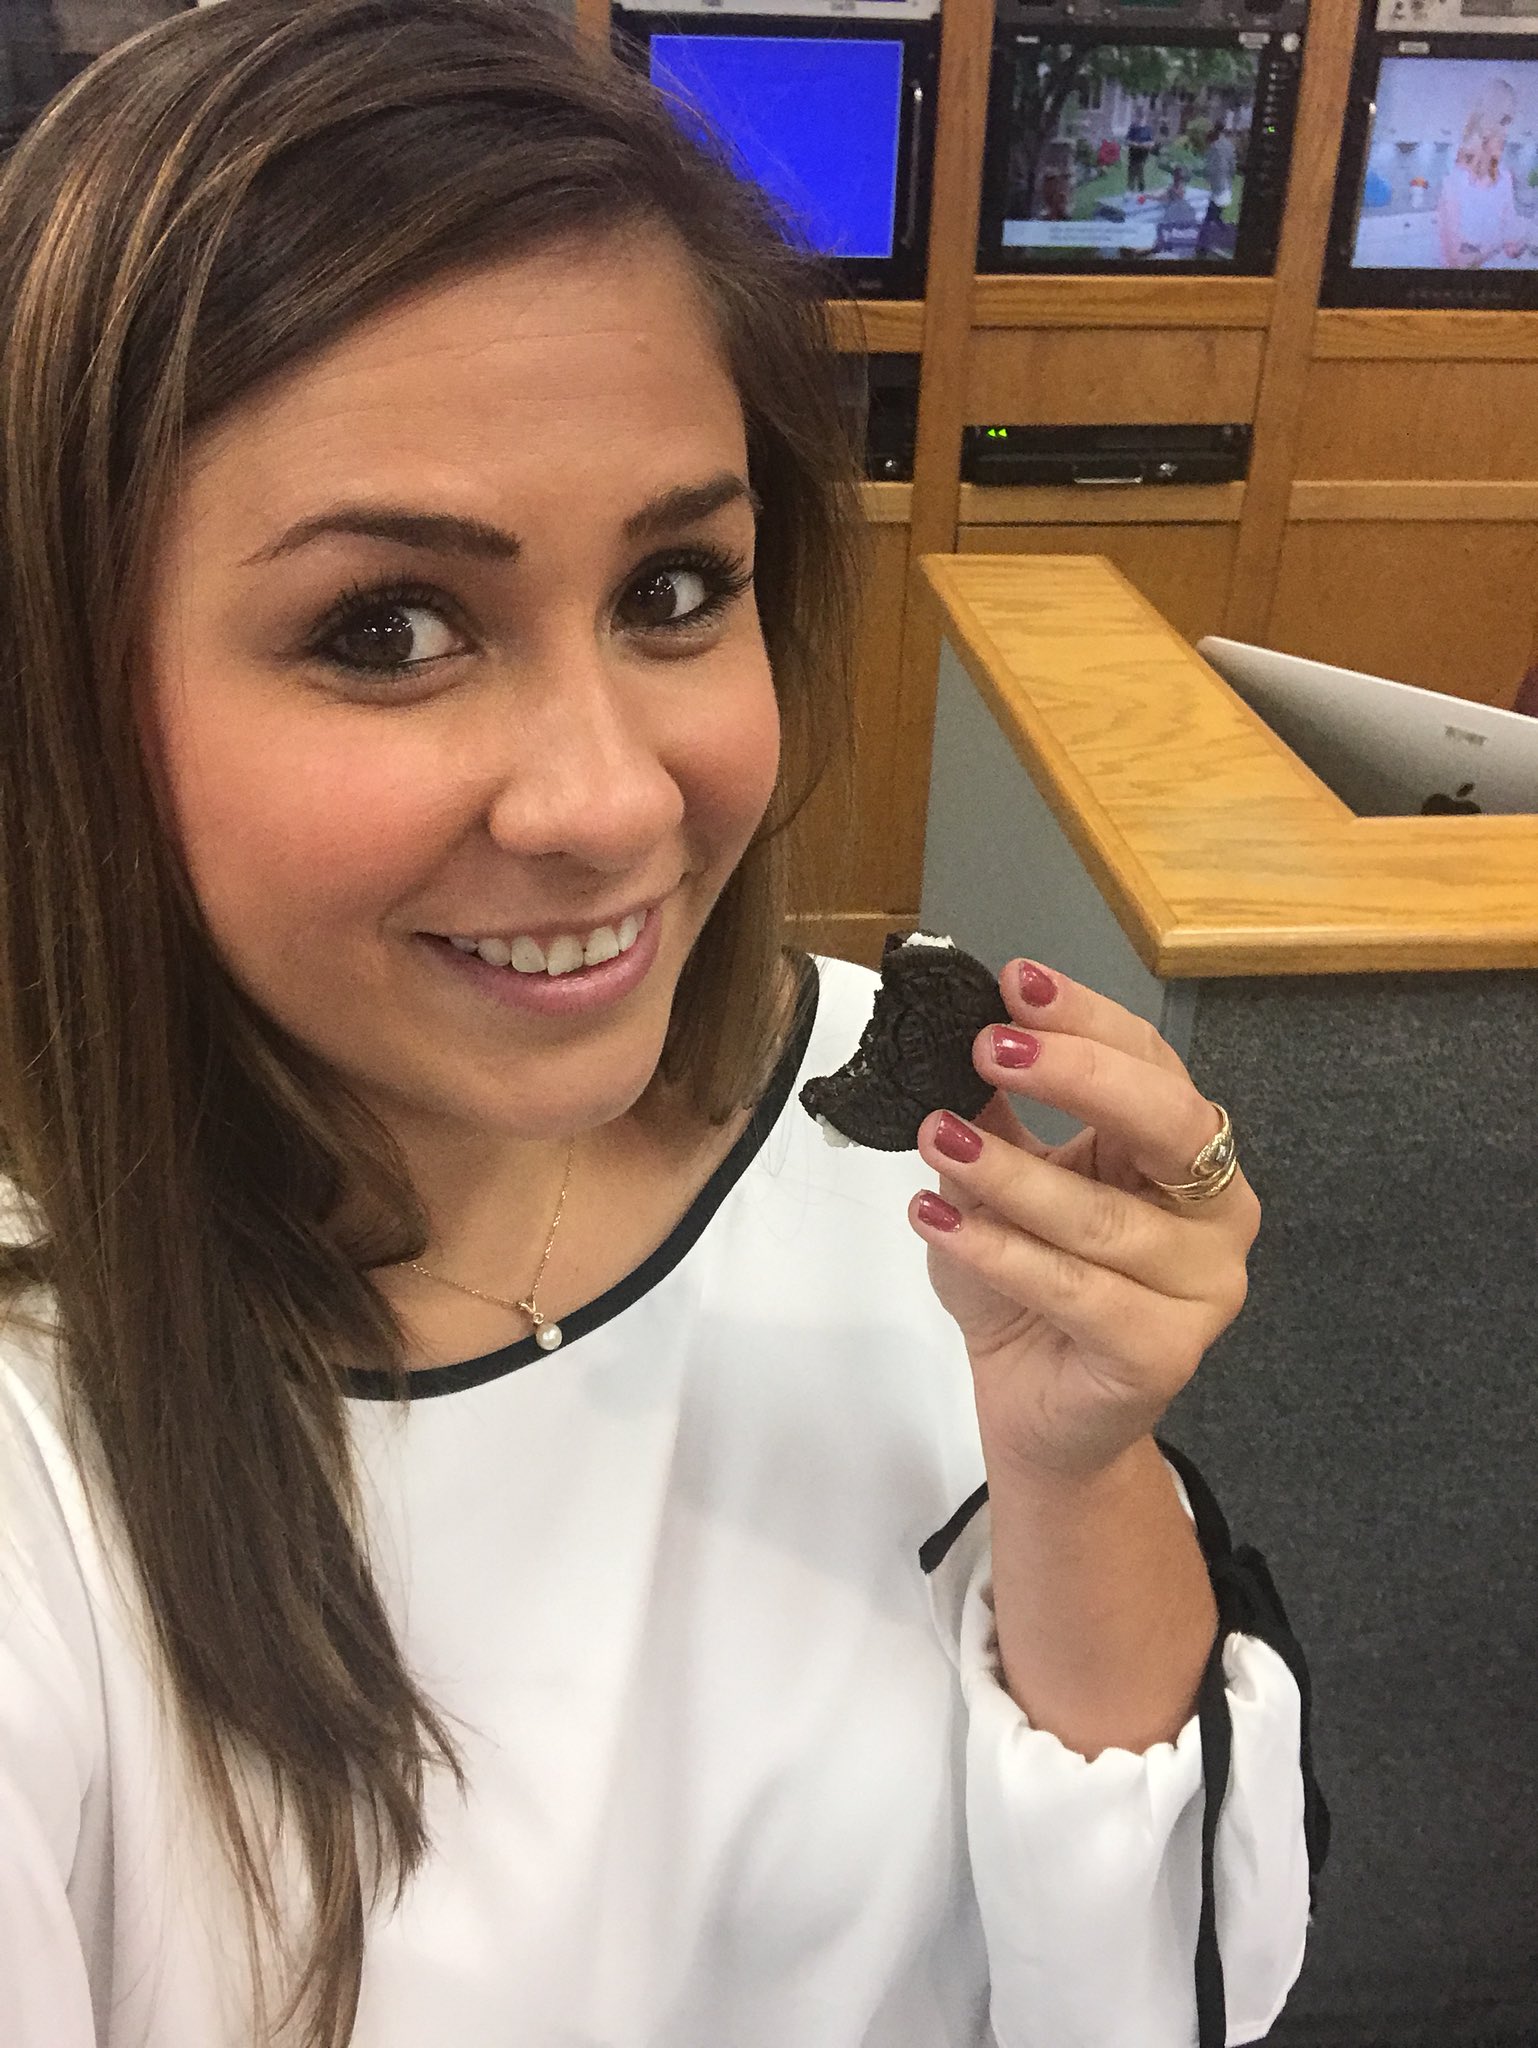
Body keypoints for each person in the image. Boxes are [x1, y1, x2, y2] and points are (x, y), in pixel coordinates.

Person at [0, 3, 1324, 2045]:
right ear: (69, 691)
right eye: (388, 628)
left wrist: (1076, 1467)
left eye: (675, 590)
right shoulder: (46, 1423)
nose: (612, 801)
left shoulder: (905, 1145)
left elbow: (1144, 1987)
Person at [1438, 75, 1528, 268]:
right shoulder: (1455, 182)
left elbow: (1510, 246)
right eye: (1503, 121)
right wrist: (1497, 243)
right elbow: (1457, 260)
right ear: (1485, 124)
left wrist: (1523, 241)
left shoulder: (1505, 179)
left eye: (1509, 123)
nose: (1507, 133)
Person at [1204, 114, 1237, 227]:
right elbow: (1232, 164)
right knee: (1216, 207)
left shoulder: (1214, 145)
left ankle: (1214, 224)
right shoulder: (1229, 145)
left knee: (1214, 207)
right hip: (1224, 179)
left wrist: (1207, 175)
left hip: (1217, 179)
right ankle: (1216, 222)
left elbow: (1209, 164)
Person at [1126, 110, 1153, 193]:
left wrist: (1145, 145)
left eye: (1140, 117)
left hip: (1143, 153)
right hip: (1133, 153)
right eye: (1136, 117)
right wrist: (1134, 144)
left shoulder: (1147, 129)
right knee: (1131, 171)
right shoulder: (1133, 128)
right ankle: (1130, 189)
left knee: (1139, 169)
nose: (1137, 119)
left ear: (1143, 118)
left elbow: (1151, 142)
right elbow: (1127, 140)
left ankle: (1141, 190)